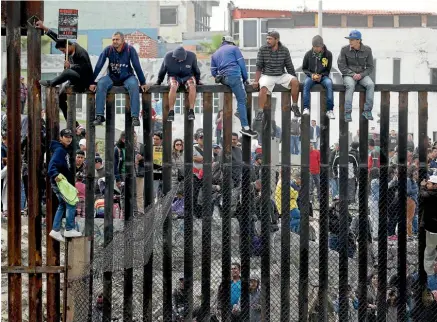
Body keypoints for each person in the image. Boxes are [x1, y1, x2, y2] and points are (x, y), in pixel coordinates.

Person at [35, 21, 93, 127]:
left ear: (69, 46)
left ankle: (51, 82)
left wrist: (70, 66)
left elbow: (85, 69)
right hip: (73, 78)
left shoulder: (81, 53)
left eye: (63, 51)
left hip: (83, 81)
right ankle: (73, 124)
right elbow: (56, 37)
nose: (63, 53)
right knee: (61, 98)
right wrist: (44, 27)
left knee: (67, 71)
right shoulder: (67, 45)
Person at [90, 31, 149, 126]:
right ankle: (99, 116)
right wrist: (92, 81)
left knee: (134, 85)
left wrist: (143, 82)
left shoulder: (130, 49)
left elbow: (137, 66)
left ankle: (135, 117)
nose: (115, 41)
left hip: (127, 77)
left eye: (117, 39)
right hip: (112, 77)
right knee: (101, 83)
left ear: (122, 40)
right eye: (113, 39)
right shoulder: (108, 50)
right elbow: (98, 65)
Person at [211, 36, 257, 137]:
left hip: (224, 79)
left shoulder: (215, 54)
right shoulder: (234, 49)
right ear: (231, 43)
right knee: (242, 100)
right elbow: (242, 65)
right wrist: (245, 78)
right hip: (234, 76)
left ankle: (238, 112)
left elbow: (213, 72)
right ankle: (245, 128)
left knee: (239, 96)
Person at [252, 31, 300, 121]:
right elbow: (259, 67)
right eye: (267, 39)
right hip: (267, 75)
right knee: (263, 88)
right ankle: (260, 112)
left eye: (270, 39)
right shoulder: (262, 49)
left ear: (277, 40)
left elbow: (289, 66)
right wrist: (256, 80)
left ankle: (294, 105)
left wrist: (294, 77)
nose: (267, 41)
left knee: (295, 82)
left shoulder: (284, 50)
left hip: (281, 75)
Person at [47, 129, 82, 242]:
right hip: (60, 182)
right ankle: (69, 228)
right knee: (71, 202)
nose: (69, 138)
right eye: (66, 136)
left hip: (61, 182)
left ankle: (56, 230)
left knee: (63, 204)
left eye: (70, 137)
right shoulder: (60, 150)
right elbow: (51, 165)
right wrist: (55, 174)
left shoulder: (64, 149)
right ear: (61, 137)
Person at [337, 30, 375, 122]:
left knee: (370, 84)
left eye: (352, 40)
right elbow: (341, 65)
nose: (350, 41)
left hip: (362, 74)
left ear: (358, 40)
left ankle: (367, 110)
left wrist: (361, 75)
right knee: (350, 86)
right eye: (349, 39)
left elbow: (370, 67)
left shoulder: (367, 50)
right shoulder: (344, 50)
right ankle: (347, 112)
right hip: (349, 75)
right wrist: (352, 74)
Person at [156, 46, 201, 122]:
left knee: (192, 86)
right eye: (178, 59)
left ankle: (191, 110)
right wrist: (159, 81)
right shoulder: (168, 56)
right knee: (173, 87)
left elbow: (196, 69)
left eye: (182, 59)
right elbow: (162, 70)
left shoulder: (192, 56)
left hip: (188, 75)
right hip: (173, 75)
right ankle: (171, 111)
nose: (180, 60)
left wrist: (198, 80)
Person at [302, 35, 335, 119]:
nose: (315, 49)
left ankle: (330, 110)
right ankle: (306, 108)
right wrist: (311, 75)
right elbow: (304, 68)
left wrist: (322, 75)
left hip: (323, 76)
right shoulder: (308, 54)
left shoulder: (328, 55)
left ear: (322, 46)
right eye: (314, 47)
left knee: (329, 83)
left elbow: (328, 69)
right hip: (311, 76)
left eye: (317, 47)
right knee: (306, 84)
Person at [422, 176, 437, 275]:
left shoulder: (430, 195)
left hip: (433, 229)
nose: (427, 185)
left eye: (429, 183)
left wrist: (422, 186)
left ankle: (430, 274)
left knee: (430, 252)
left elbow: (422, 195)